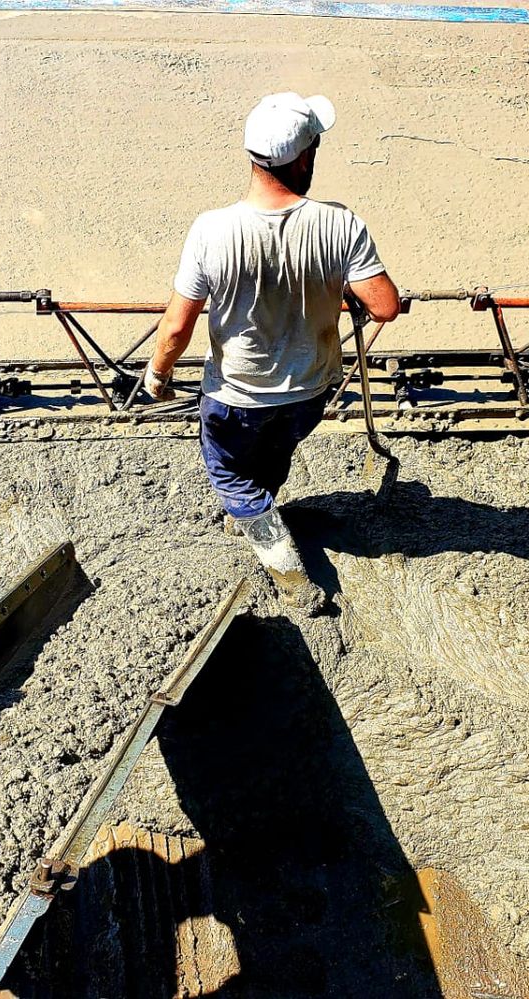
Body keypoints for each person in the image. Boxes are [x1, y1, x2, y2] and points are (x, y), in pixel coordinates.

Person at [143, 92, 401, 615]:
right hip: (310, 389)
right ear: (303, 159)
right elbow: (385, 306)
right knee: (275, 451)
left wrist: (157, 375)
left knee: (231, 474)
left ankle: (287, 570)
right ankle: (261, 504)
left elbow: (177, 326)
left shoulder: (211, 229)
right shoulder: (339, 223)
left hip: (238, 393)